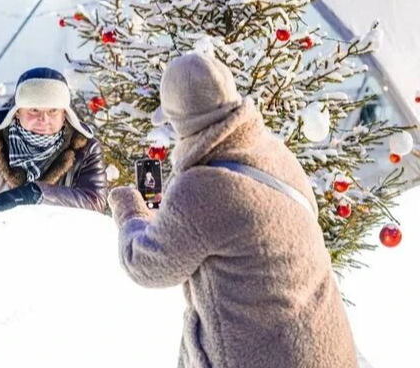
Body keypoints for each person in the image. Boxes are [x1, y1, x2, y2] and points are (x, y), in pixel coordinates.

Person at [107, 53, 358, 368]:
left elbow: (146, 266)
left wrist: (130, 211)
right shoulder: (274, 152)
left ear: (176, 120)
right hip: (326, 348)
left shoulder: (202, 187)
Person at [0, 67, 108, 237]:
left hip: (58, 248)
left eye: (53, 110)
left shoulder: (85, 147)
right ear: (17, 112)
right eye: (34, 109)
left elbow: (93, 202)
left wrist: (35, 193)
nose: (44, 119)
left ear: (64, 114)